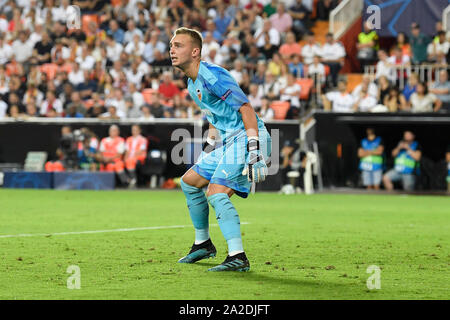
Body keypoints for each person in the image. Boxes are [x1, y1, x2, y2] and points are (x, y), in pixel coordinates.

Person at [169, 27, 271, 272]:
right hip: (228, 143)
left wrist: (254, 150)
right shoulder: (192, 84)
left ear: (195, 52)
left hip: (247, 140)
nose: (172, 50)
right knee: (190, 181)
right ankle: (202, 244)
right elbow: (215, 119)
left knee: (215, 193)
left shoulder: (213, 75)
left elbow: (246, 108)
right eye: (171, 45)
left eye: (178, 45)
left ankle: (238, 257)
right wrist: (208, 150)